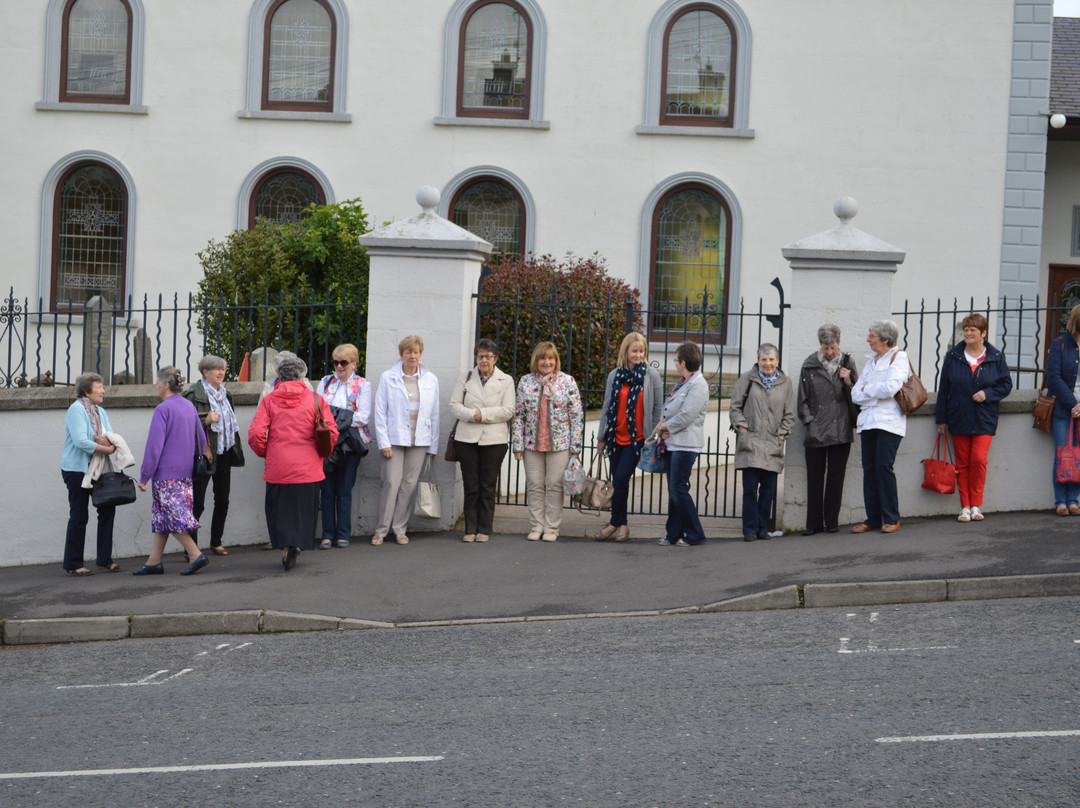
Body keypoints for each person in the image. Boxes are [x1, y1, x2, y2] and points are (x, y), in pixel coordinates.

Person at [248, 353, 337, 571]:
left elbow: (255, 434)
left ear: (280, 376)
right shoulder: (316, 399)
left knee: (279, 509)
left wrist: (266, 453)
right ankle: (298, 542)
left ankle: (287, 547)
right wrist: (321, 455)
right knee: (304, 510)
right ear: (301, 375)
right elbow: (332, 432)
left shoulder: (270, 400)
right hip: (308, 467)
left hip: (279, 465)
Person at [935, 313, 1013, 522]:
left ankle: (977, 504)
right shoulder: (954, 356)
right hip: (958, 417)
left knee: (978, 459)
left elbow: (1006, 385)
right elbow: (944, 390)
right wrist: (941, 419)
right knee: (962, 463)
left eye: (973, 330)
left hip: (984, 418)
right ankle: (965, 506)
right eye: (966, 330)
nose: (968, 333)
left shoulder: (995, 356)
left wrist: (988, 394)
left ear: (983, 334)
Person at [133, 367, 209, 576]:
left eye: (158, 382)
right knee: (162, 517)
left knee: (173, 517)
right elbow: (201, 439)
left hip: (166, 475)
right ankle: (153, 562)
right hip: (185, 474)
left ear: (166, 385)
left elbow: (154, 447)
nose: (156, 386)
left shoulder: (163, 409)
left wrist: (144, 475)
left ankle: (195, 554)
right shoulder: (189, 406)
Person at [589, 332, 663, 542]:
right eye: (635, 351)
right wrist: (602, 437)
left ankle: (616, 524)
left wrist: (652, 435)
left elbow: (657, 406)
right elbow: (606, 407)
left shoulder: (651, 375)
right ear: (626, 351)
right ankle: (620, 524)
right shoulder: (615, 375)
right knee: (619, 482)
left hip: (636, 439)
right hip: (615, 436)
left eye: (642, 351)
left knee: (621, 478)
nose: (638, 355)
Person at [511, 342, 584, 542]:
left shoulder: (567, 381)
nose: (547, 362)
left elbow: (576, 416)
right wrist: (518, 445)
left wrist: (575, 447)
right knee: (534, 485)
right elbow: (518, 416)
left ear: (556, 360)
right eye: (543, 358)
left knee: (554, 485)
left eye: (551, 358)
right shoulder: (525, 382)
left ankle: (551, 528)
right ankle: (536, 526)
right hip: (532, 444)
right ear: (536, 360)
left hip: (559, 445)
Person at [372, 335, 440, 546]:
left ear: (421, 354)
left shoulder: (430, 379)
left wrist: (433, 446)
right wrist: (383, 442)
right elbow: (380, 412)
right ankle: (381, 531)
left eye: (416, 352)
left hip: (419, 441)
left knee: (409, 485)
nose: (413, 356)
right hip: (394, 440)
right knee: (391, 483)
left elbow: (435, 414)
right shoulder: (388, 377)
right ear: (402, 354)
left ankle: (400, 529)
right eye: (408, 352)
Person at [449, 339, 515, 543]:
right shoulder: (466, 378)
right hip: (466, 438)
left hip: (494, 440)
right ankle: (470, 528)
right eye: (480, 356)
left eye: (488, 356)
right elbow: (453, 405)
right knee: (471, 484)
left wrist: (482, 414)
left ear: (495, 358)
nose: (484, 360)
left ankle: (484, 528)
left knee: (487, 485)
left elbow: (508, 410)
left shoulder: (506, 380)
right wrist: (472, 415)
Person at [797, 324, 860, 535]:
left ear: (839, 343)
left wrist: (848, 381)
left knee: (836, 476)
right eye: (825, 347)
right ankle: (813, 523)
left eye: (832, 347)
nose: (830, 352)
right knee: (814, 478)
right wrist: (809, 422)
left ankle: (831, 521)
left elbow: (859, 396)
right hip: (816, 430)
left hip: (840, 429)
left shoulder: (848, 362)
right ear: (820, 346)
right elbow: (802, 399)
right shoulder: (809, 365)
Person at [849, 320, 911, 534]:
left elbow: (891, 388)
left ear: (885, 339)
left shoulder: (899, 357)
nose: (868, 339)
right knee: (869, 469)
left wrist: (868, 391)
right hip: (868, 422)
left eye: (872, 335)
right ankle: (873, 518)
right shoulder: (871, 362)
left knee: (884, 468)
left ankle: (892, 517)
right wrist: (871, 392)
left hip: (888, 422)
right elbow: (855, 393)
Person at [730, 343, 796, 542]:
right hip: (750, 442)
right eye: (764, 360)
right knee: (750, 489)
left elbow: (789, 414)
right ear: (758, 361)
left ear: (777, 361)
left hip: (772, 443)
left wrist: (782, 434)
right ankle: (749, 529)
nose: (768, 363)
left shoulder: (786, 383)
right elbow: (735, 408)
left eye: (771, 359)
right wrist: (742, 428)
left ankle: (762, 528)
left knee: (768, 489)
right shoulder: (746, 379)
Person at [182, 355, 244, 556]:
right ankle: (191, 548)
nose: (220, 373)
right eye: (216, 369)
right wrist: (205, 421)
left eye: (223, 369)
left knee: (223, 499)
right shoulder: (193, 395)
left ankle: (216, 541)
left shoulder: (226, 395)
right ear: (205, 372)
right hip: (204, 454)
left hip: (224, 452)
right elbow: (183, 427)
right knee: (197, 502)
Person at [61, 373, 122, 576]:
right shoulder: (76, 410)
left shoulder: (100, 411)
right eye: (99, 387)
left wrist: (109, 444)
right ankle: (73, 563)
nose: (103, 390)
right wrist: (108, 449)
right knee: (79, 515)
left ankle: (104, 560)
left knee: (107, 510)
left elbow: (111, 436)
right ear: (87, 391)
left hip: (99, 468)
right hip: (77, 469)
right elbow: (81, 442)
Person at [316, 343, 371, 549]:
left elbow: (363, 417)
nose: (339, 366)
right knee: (327, 490)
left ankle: (343, 534)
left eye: (344, 362)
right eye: (336, 362)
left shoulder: (363, 385)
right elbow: (318, 410)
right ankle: (327, 534)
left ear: (354, 364)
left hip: (350, 443)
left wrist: (334, 418)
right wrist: (341, 417)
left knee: (344, 489)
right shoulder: (325, 382)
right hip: (327, 441)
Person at [655, 341, 710, 546]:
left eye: (676, 360)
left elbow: (687, 415)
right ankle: (673, 533)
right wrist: (666, 427)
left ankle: (695, 533)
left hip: (686, 444)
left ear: (684, 362)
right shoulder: (686, 382)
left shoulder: (699, 385)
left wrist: (664, 427)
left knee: (678, 489)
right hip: (674, 443)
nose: (675, 363)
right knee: (674, 489)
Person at [1045, 303, 1080, 516]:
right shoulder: (1060, 344)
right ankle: (1060, 501)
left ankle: (1073, 500)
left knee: (1079, 455)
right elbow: (1054, 377)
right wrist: (1073, 405)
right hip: (1063, 409)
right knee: (1063, 454)